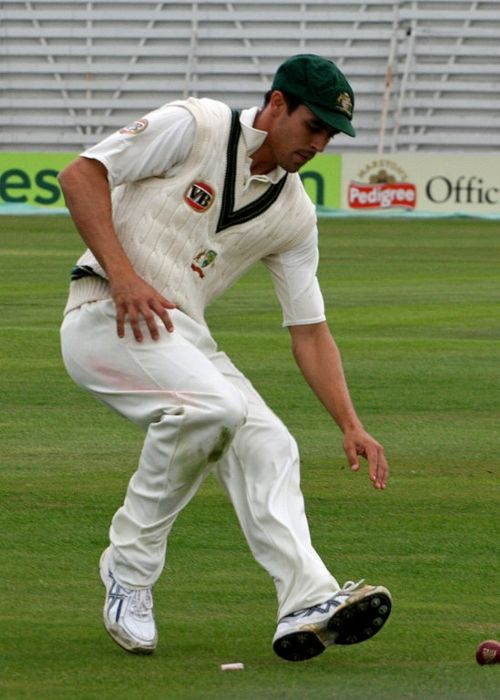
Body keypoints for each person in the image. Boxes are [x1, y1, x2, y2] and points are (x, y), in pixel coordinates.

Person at [59, 54, 392, 662]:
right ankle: (128, 571)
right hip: (103, 311)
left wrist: (351, 424)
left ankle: (305, 599)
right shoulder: (199, 124)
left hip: (180, 334)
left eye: (329, 134)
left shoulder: (294, 212)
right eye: (311, 125)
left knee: (271, 444)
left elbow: (310, 329)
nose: (318, 143)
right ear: (276, 103)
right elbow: (81, 175)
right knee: (213, 408)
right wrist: (125, 275)